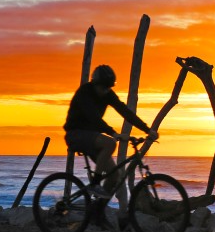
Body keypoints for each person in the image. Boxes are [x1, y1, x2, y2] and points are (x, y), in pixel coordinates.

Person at [63, 64, 158, 198]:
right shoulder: (85, 92)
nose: (106, 91)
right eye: (103, 87)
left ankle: (96, 213)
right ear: (95, 84)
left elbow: (125, 112)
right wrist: (113, 133)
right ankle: (95, 184)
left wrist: (147, 129)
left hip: (92, 137)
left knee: (114, 177)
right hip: (76, 134)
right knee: (110, 143)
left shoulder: (108, 94)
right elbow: (94, 118)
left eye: (109, 87)